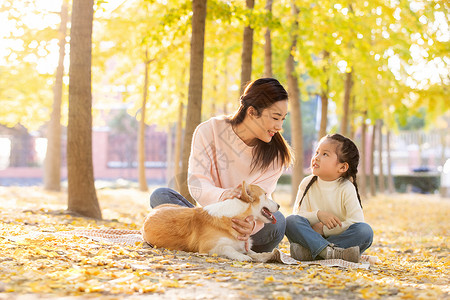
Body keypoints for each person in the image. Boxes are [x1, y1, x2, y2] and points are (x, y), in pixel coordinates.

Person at [150, 78, 293, 253]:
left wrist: (251, 225)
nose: (279, 126)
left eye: (283, 119)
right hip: (208, 221)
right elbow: (198, 183)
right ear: (252, 112)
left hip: (242, 227)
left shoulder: (276, 156)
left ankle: (209, 243)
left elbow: (262, 201)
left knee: (277, 223)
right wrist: (226, 194)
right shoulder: (209, 131)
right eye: (275, 118)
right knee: (161, 196)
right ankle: (209, 240)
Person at [285, 133, 373, 263]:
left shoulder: (346, 188)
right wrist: (318, 215)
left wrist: (324, 230)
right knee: (291, 221)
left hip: (337, 239)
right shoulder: (307, 183)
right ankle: (330, 253)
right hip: (311, 236)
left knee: (365, 231)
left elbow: (356, 222)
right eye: (317, 152)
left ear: (342, 167)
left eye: (325, 154)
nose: (316, 158)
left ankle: (312, 252)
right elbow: (298, 215)